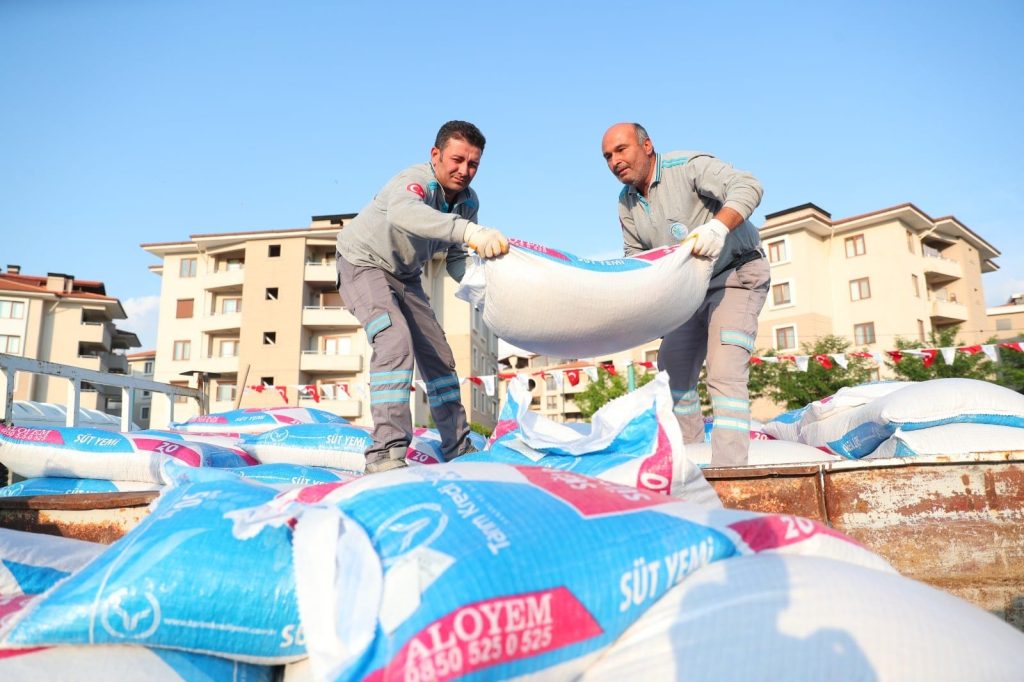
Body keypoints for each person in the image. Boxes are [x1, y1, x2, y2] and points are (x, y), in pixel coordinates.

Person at [336, 120, 508, 473]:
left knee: (440, 357)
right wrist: (470, 231)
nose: (464, 170)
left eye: (473, 164)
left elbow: (457, 259)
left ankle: (458, 446)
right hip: (363, 263)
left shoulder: (467, 203)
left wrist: (488, 288)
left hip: (406, 275)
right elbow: (405, 214)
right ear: (436, 155)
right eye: (457, 159)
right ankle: (386, 451)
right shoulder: (414, 182)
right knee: (394, 340)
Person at [601, 122, 769, 467]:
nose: (614, 161)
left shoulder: (687, 167)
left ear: (647, 146)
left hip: (735, 275)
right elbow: (638, 259)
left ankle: (730, 474)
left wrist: (717, 227)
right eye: (607, 157)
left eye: (621, 149)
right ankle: (690, 464)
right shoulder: (626, 203)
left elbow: (748, 185)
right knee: (672, 370)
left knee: (724, 372)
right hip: (687, 291)